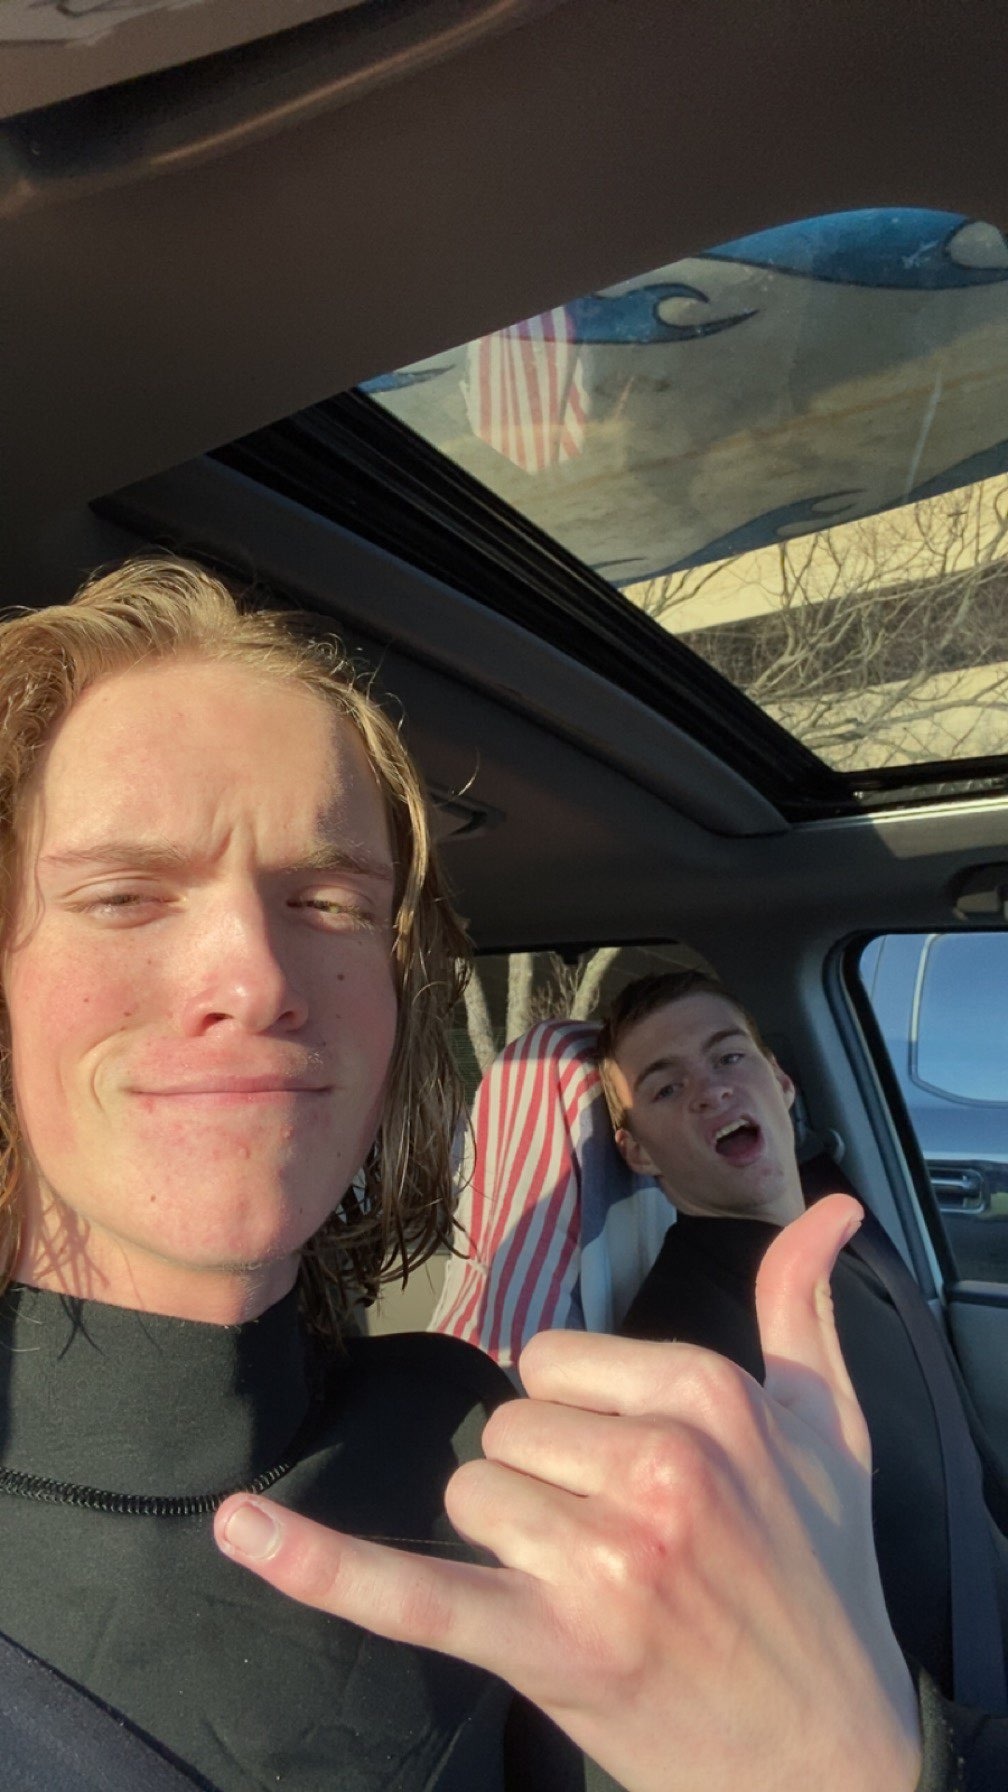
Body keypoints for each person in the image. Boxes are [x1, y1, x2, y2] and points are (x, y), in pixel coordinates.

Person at [0, 554, 982, 1790]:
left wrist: (853, 1756)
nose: (255, 978)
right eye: (125, 896)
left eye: (329, 902)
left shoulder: (474, 1433)